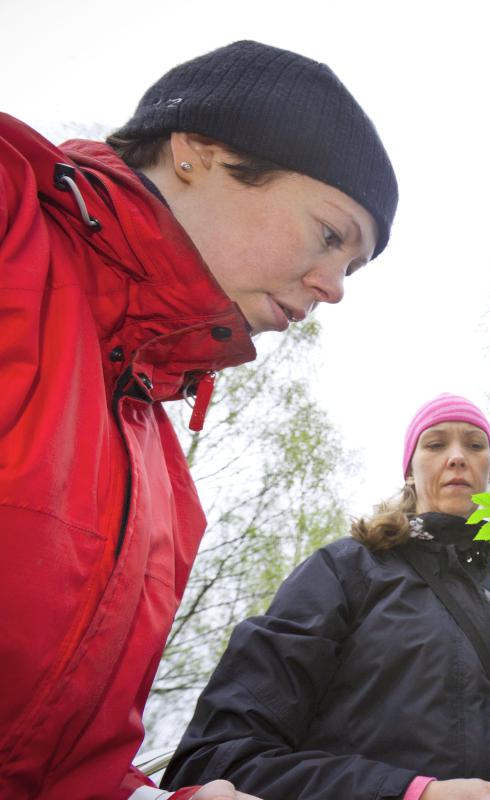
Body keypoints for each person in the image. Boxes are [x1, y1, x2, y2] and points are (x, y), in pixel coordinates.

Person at [0, 40, 397, 799]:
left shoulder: (168, 495)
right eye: (328, 235)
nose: (335, 289)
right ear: (196, 152)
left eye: (352, 267)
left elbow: (58, 767)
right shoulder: (11, 219)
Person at [162, 394, 490, 800]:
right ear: (410, 470)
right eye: (436, 444)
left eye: (475, 445)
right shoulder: (345, 570)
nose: (457, 457)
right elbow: (218, 759)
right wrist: (412, 793)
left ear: (489, 469)